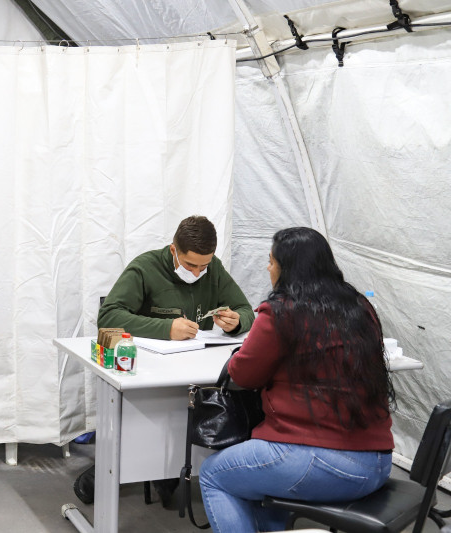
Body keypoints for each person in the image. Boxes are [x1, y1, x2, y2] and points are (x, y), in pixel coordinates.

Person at [198, 227, 395, 533]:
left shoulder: (280, 313)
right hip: (378, 464)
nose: (267, 268)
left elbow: (243, 374)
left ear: (287, 269)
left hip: (318, 462)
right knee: (259, 481)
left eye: (271, 261)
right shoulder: (359, 307)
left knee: (213, 474)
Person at [75, 215, 256, 507]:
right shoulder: (145, 268)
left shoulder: (215, 270)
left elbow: (245, 309)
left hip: (194, 371)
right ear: (174, 250)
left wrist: (237, 322)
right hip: (147, 375)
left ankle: (169, 471)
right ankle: (121, 471)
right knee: (150, 424)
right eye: (190, 265)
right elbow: (108, 317)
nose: (198, 272)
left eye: (204, 265)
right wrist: (165, 329)